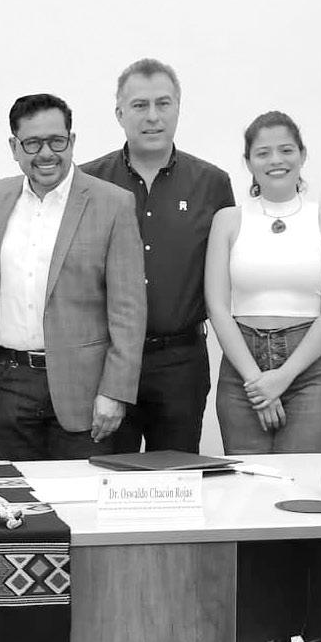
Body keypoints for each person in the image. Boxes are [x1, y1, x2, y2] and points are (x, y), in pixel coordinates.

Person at [0, 93, 146, 460]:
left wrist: (115, 391)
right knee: (17, 493)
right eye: (32, 143)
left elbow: (128, 310)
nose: (46, 153)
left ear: (72, 141)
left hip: (84, 389)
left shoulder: (113, 203)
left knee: (79, 493)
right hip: (8, 383)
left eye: (57, 141)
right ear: (14, 147)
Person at [81, 59, 235, 454]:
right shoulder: (89, 182)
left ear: (178, 108)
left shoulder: (212, 184)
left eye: (163, 104)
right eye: (139, 105)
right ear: (119, 113)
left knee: (179, 477)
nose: (153, 116)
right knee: (109, 476)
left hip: (180, 362)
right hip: (107, 361)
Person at [205, 112, 321, 453]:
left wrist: (283, 377)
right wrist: (256, 381)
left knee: (304, 478)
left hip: (310, 371)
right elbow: (217, 307)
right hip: (243, 370)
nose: (276, 160)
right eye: (263, 153)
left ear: (302, 154)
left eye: (286, 150)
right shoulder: (228, 220)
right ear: (248, 162)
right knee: (247, 479)